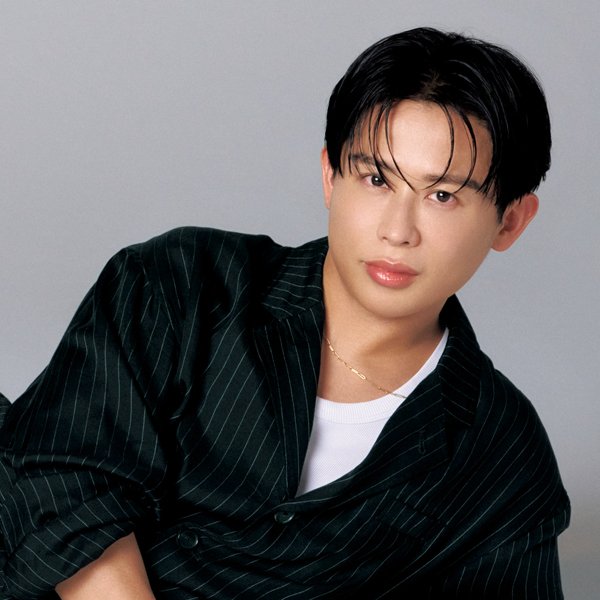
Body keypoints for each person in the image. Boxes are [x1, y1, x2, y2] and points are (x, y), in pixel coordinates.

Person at [0, 27, 570, 599]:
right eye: (376, 179)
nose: (398, 231)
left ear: (510, 221)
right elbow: (62, 478)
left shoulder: (503, 457)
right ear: (330, 177)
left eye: (442, 196)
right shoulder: (181, 284)